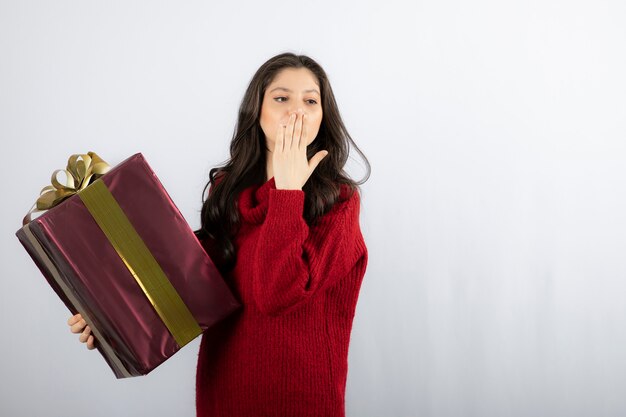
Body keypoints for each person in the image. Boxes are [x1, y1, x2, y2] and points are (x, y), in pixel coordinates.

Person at [68, 51, 370, 417]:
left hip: (301, 402)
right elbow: (183, 286)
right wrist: (106, 317)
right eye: (281, 98)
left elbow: (277, 295)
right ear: (256, 111)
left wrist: (288, 195)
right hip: (223, 394)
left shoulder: (338, 203)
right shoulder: (228, 194)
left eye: (310, 100)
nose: (297, 111)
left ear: (323, 117)